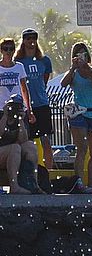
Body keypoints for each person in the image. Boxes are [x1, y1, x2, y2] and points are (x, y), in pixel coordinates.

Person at [62, 42, 92, 193]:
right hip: (79, 113)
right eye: (77, 54)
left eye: (83, 53)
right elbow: (63, 83)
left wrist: (86, 68)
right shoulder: (73, 73)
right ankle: (79, 183)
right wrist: (74, 68)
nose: (81, 56)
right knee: (82, 149)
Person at [15, 29, 52, 164]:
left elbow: (45, 79)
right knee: (26, 142)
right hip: (24, 107)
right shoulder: (18, 62)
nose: (31, 41)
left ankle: (48, 172)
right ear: (23, 41)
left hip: (41, 104)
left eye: (34, 38)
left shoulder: (44, 60)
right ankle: (28, 172)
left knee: (46, 141)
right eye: (28, 38)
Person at [0, 96, 40, 193]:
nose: (13, 110)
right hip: (3, 152)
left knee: (30, 146)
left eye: (17, 107)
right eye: (12, 106)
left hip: (13, 155)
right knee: (15, 148)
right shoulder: (1, 116)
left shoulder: (21, 119)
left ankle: (34, 184)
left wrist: (21, 120)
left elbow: (23, 140)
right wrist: (5, 116)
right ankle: (14, 186)